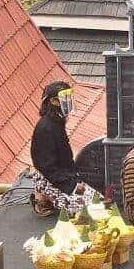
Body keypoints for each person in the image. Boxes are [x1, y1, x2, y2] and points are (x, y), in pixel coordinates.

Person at [30, 81, 92, 216]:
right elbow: (47, 167)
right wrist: (72, 186)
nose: (68, 102)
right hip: (49, 177)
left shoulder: (57, 121)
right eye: (65, 98)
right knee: (82, 212)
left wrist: (75, 180)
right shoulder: (46, 128)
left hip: (64, 175)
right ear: (53, 101)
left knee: (95, 202)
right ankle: (42, 196)